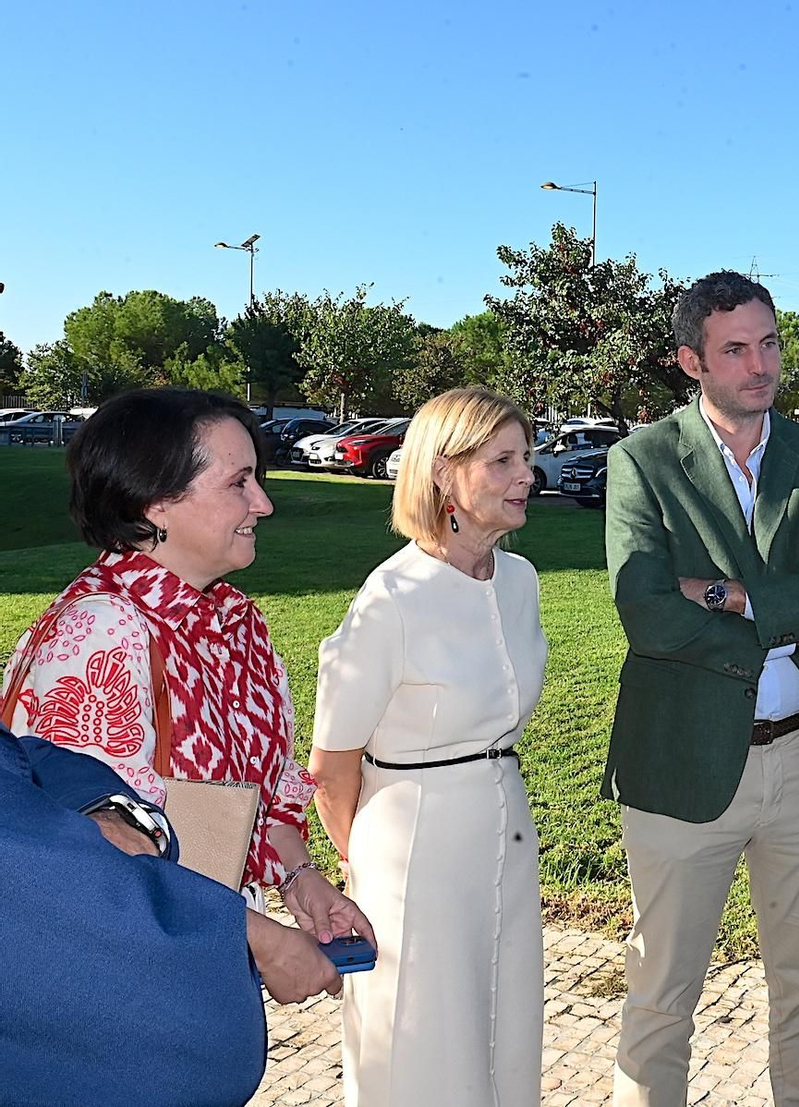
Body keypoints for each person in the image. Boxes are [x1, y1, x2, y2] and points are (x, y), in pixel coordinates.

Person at [603, 271, 799, 1107]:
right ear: (692, 359)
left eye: (768, 343)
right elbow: (648, 613)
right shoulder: (642, 462)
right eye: (735, 349)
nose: (760, 364)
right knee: (662, 998)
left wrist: (731, 592)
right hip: (683, 766)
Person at [0, 388, 369, 940]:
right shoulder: (102, 630)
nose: (263, 503)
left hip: (201, 946)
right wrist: (260, 942)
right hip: (130, 970)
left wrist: (300, 881)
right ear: (154, 502)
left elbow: (255, 803)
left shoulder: (236, 622)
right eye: (237, 482)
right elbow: (93, 853)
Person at [309, 386, 547, 1107]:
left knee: (506, 1033)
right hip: (414, 851)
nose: (527, 474)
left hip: (506, 830)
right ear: (444, 472)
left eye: (527, 457)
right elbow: (330, 764)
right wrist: (369, 865)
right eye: (502, 459)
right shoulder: (393, 597)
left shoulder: (522, 580)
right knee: (420, 1045)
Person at [0, 721, 342, 1107]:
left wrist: (297, 877)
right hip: (144, 970)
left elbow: (23, 759)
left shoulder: (259, 660)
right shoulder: (96, 658)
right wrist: (235, 934)